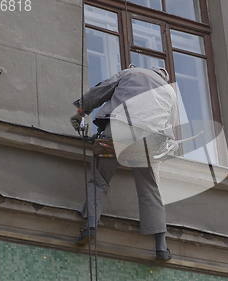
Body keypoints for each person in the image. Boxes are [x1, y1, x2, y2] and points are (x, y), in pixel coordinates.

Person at [70, 67, 177, 261]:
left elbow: (102, 90)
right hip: (150, 141)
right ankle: (161, 247)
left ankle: (91, 227)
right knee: (150, 189)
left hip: (120, 130)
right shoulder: (170, 91)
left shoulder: (130, 73)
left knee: (99, 181)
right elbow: (170, 126)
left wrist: (80, 111)